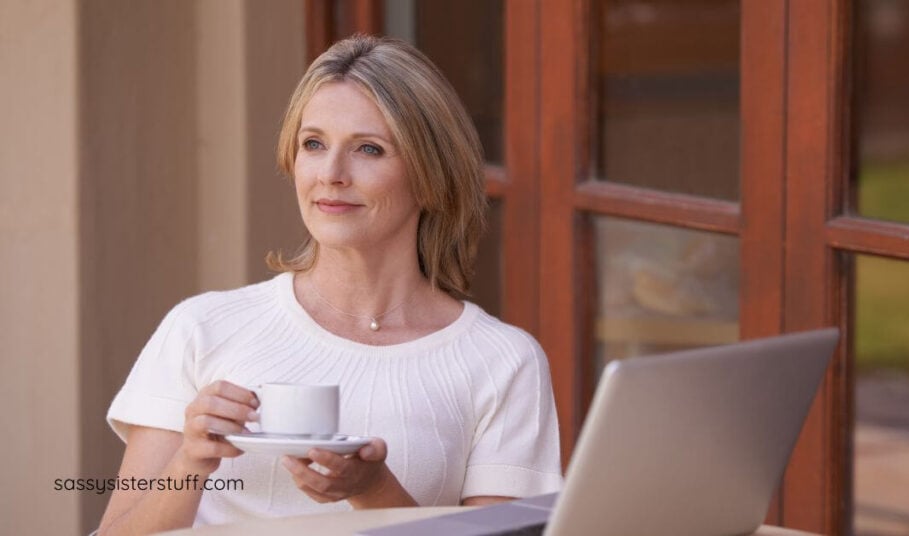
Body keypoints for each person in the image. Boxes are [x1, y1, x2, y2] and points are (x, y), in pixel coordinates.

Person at [98, 35, 562, 534]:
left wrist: (372, 490)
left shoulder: (503, 361)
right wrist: (189, 462)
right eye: (313, 144)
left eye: (369, 149)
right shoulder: (200, 327)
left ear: (432, 174)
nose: (332, 175)